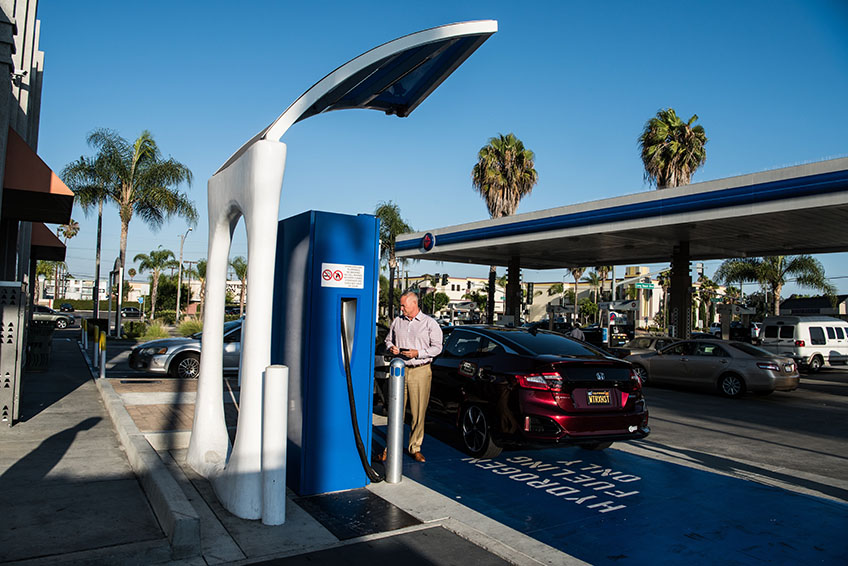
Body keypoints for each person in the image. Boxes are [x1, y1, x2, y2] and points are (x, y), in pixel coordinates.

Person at [382, 292, 443, 463]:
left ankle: (415, 447)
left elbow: (437, 347)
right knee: (395, 411)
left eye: (403, 306)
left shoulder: (429, 323)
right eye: (401, 306)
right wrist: (391, 347)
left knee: (418, 412)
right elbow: (388, 340)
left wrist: (418, 353)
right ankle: (390, 447)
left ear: (414, 304)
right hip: (399, 370)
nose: (401, 309)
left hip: (420, 370)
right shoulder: (398, 321)